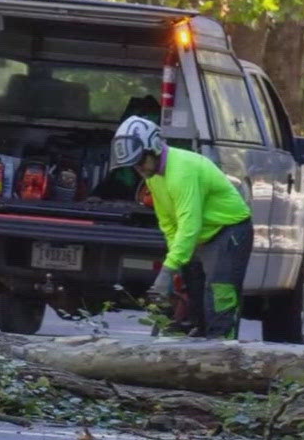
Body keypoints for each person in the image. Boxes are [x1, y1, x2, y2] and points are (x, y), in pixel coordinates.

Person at [108, 117, 252, 339]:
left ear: (153, 149)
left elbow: (189, 224)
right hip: (199, 236)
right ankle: (198, 350)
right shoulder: (153, 175)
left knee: (219, 296)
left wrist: (167, 270)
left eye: (140, 162)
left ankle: (225, 353)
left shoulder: (182, 170)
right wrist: (175, 261)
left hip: (228, 230)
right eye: (134, 165)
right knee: (195, 298)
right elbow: (168, 222)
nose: (138, 169)